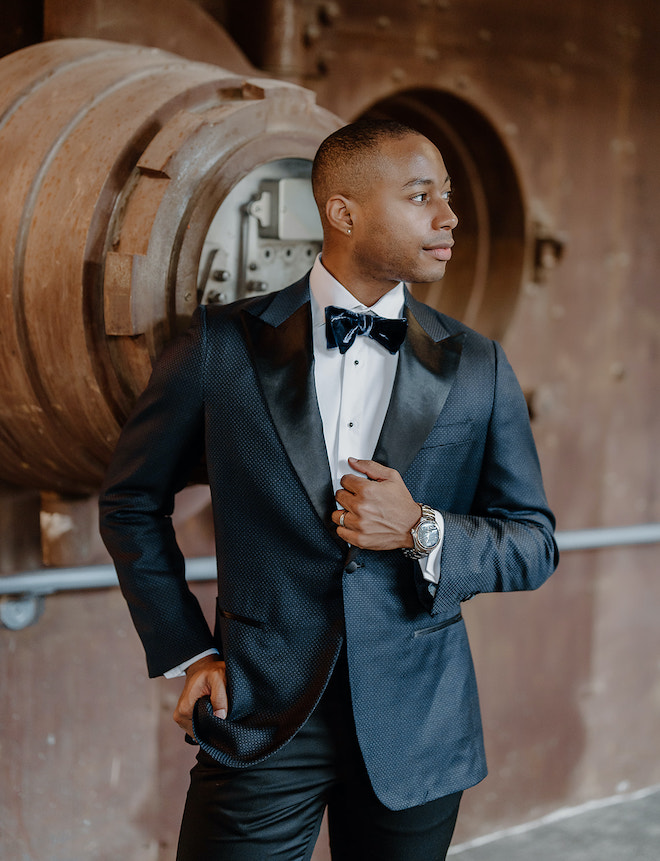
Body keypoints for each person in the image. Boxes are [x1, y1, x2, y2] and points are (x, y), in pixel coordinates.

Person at [99, 118, 558, 860]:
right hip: (259, 712)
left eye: (447, 196)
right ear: (343, 212)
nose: (449, 216)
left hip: (418, 722)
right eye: (421, 196)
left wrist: (422, 528)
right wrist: (187, 653)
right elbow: (130, 502)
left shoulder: (480, 365)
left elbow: (534, 542)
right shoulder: (220, 343)